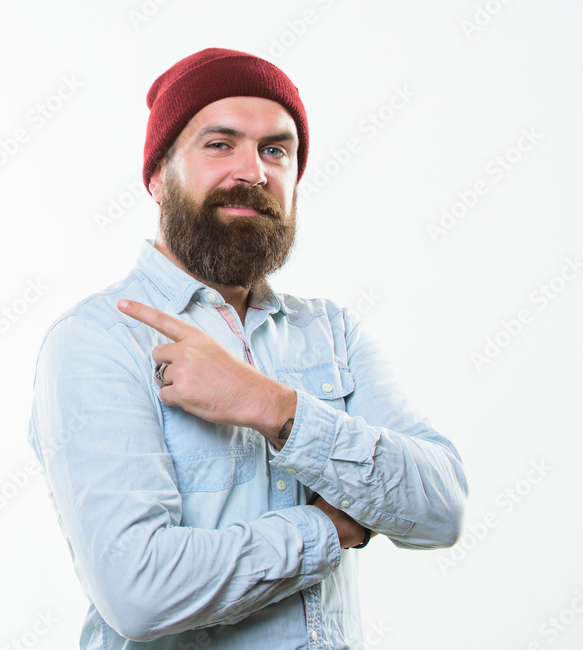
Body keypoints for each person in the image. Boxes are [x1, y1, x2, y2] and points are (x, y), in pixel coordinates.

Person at [27, 47, 468, 649]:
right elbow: (138, 592)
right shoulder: (100, 339)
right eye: (219, 144)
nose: (253, 172)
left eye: (275, 150)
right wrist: (327, 529)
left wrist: (273, 407)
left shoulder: (331, 331)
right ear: (157, 178)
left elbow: (442, 509)